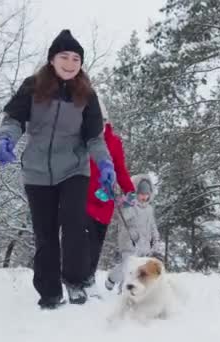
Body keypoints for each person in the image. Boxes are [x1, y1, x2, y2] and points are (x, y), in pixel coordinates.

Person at [0, 29, 116, 309]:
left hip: (74, 168)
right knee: (45, 233)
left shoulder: (87, 95)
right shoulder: (33, 86)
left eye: (76, 58)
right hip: (37, 170)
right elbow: (13, 119)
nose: (71, 63)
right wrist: (5, 138)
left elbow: (94, 138)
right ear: (52, 58)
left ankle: (75, 280)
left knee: (74, 226)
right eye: (64, 56)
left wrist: (105, 164)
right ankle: (49, 292)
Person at [82, 108, 135, 296]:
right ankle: (77, 280)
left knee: (96, 243)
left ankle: (89, 279)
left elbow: (120, 169)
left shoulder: (114, 142)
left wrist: (130, 190)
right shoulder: (82, 137)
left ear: (106, 121)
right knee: (81, 240)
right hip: (82, 198)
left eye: (101, 119)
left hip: (105, 201)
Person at [105, 174, 164, 292]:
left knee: (137, 269)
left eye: (146, 194)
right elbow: (124, 218)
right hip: (129, 243)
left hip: (145, 246)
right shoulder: (130, 206)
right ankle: (122, 288)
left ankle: (115, 280)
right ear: (136, 193)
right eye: (141, 194)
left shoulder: (149, 209)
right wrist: (126, 205)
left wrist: (156, 240)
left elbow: (152, 226)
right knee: (128, 267)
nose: (144, 197)